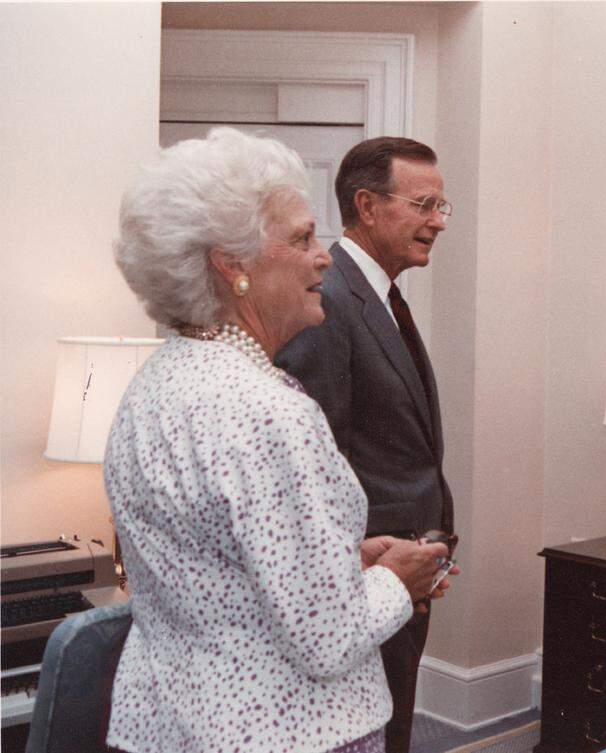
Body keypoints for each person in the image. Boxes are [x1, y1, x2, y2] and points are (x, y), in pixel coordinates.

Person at [105, 127, 455, 753]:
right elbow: (330, 639)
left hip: (168, 724)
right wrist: (398, 581)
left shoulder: (154, 383)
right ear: (231, 265)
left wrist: (345, 560)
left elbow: (219, 570)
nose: (324, 255)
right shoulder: (267, 411)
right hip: (285, 730)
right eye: (301, 238)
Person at [276, 136, 453, 753]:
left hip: (404, 567)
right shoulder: (327, 300)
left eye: (442, 205)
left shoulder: (381, 295)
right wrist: (365, 561)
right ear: (368, 205)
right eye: (424, 203)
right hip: (362, 579)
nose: (437, 220)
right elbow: (315, 464)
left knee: (395, 720)